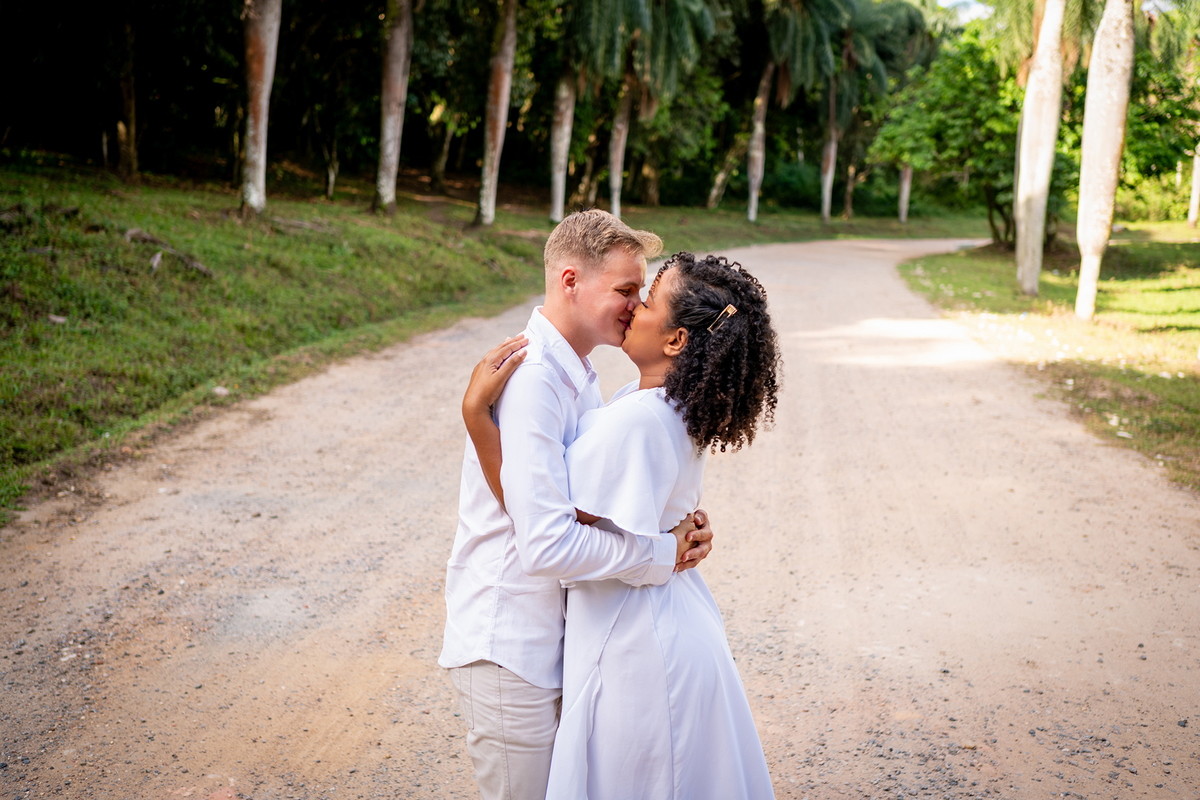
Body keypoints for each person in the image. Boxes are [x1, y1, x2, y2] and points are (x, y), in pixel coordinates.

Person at [464, 252, 781, 800]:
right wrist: (669, 539)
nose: (634, 308)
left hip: (641, 642)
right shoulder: (657, 404)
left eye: (649, 300)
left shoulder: (639, 418)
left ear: (677, 340)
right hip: (658, 624)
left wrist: (476, 419)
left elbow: (541, 521)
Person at [438, 210, 715, 800]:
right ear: (570, 280)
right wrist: (661, 553)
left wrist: (676, 523)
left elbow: (583, 501)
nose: (636, 305)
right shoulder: (534, 377)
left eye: (640, 292)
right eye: (625, 289)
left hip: (553, 640)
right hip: (512, 644)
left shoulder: (581, 376)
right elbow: (545, 540)